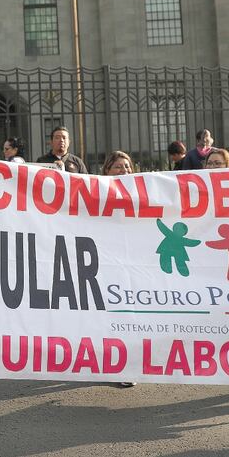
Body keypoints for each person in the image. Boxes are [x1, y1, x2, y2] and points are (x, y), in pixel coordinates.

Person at [101, 150, 136, 388]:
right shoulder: (96, 193)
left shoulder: (142, 193)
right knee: (110, 316)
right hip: (105, 265)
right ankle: (112, 364)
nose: (124, 171)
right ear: (106, 171)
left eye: (127, 167)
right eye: (118, 167)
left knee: (130, 315)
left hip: (133, 266)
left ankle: (127, 366)